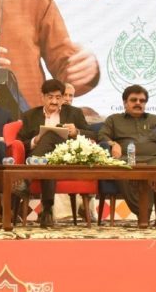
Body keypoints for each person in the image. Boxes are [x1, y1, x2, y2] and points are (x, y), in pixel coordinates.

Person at [97, 84, 156, 226]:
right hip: (128, 160)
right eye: (134, 100)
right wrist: (112, 144)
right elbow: (102, 136)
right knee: (120, 166)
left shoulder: (154, 119)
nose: (138, 103)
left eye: (142, 101)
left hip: (155, 160)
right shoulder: (114, 119)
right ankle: (144, 213)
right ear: (125, 103)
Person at [18, 78, 93, 227]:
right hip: (49, 160)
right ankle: (47, 211)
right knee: (48, 161)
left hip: (66, 156)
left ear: (63, 98)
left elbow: (93, 134)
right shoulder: (29, 115)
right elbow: (20, 142)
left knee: (51, 134)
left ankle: (27, 176)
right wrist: (35, 140)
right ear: (42, 97)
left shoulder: (74, 113)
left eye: (58, 97)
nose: (54, 101)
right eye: (50, 97)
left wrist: (76, 132)